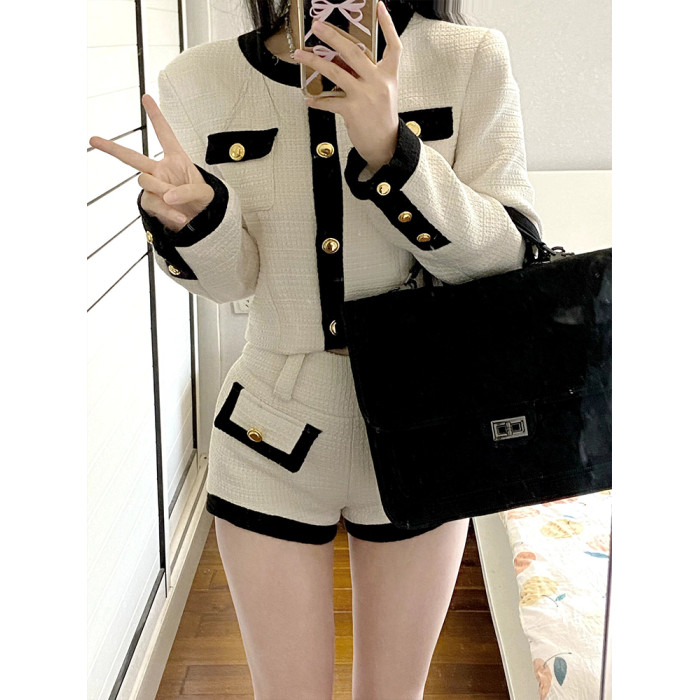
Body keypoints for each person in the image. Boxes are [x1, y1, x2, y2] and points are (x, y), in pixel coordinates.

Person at [89, 0, 543, 696]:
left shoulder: (467, 58)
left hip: (426, 430)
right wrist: (196, 221)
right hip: (269, 432)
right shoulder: (199, 79)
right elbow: (230, 282)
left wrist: (393, 149)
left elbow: (506, 260)